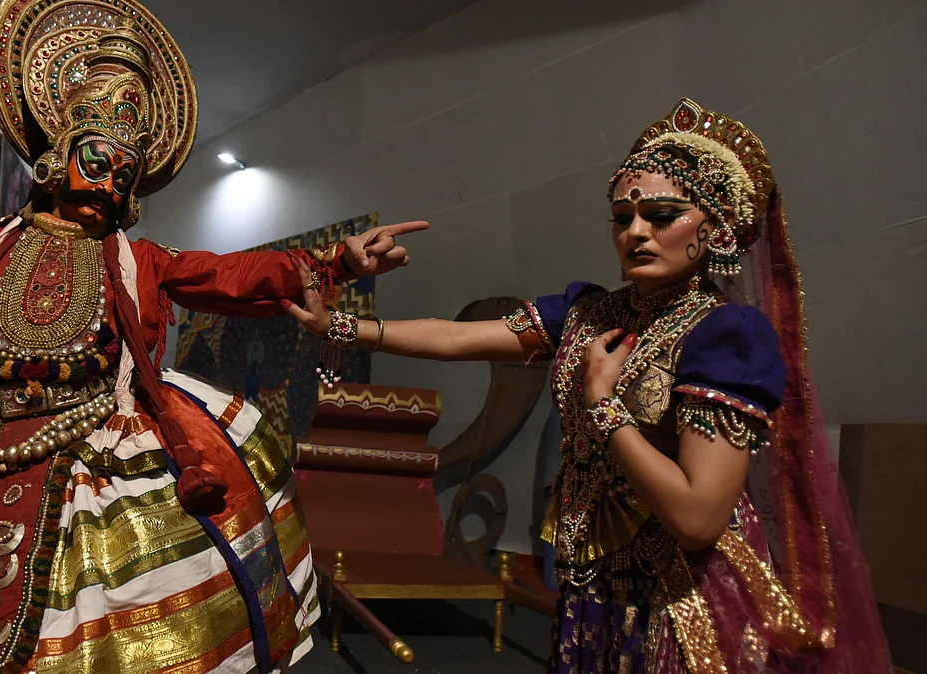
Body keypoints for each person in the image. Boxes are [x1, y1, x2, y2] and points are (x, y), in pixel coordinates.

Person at [0, 3, 426, 673]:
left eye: (125, 171)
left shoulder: (140, 261)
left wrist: (336, 261)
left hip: (93, 449)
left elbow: (230, 275)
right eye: (99, 158)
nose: (110, 179)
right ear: (61, 156)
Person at [285, 99, 888, 672]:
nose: (636, 234)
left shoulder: (725, 336)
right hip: (592, 583)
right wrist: (339, 324)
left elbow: (700, 519)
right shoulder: (588, 313)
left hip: (678, 601)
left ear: (718, 229)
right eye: (623, 218)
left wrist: (605, 409)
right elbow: (455, 337)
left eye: (663, 216)